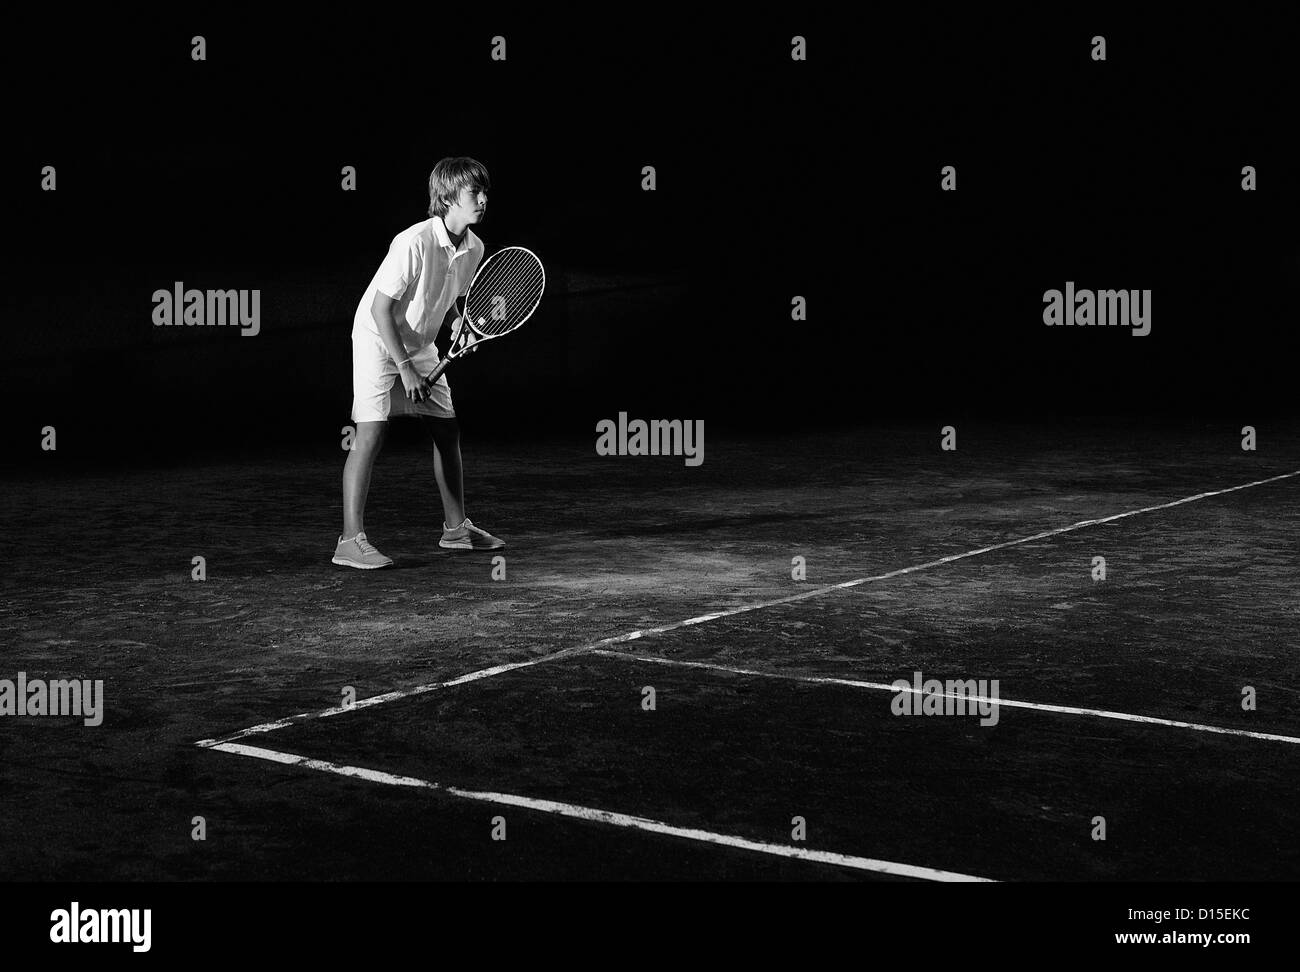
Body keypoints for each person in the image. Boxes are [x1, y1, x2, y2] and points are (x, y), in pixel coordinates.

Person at [333, 157, 505, 569]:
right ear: (447, 198)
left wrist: (461, 322)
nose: (482, 200)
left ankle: (456, 529)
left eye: (485, 192)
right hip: (379, 337)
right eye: (473, 193)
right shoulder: (413, 241)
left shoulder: (475, 247)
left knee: (447, 430)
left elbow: (449, 301)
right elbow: (379, 310)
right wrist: (406, 368)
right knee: (371, 433)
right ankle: (349, 541)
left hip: (420, 339)